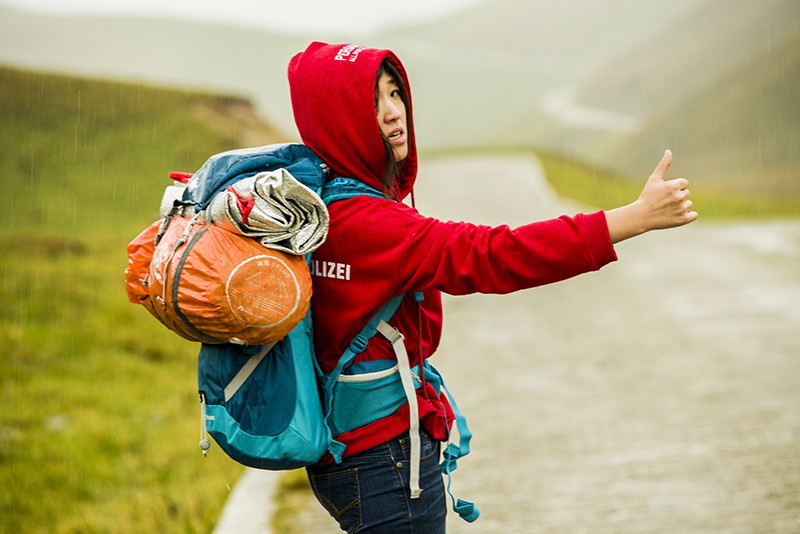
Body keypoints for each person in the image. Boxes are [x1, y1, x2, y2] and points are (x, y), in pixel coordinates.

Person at [287, 41, 697, 533]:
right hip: (384, 461)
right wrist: (631, 219)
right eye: (372, 102)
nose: (395, 112)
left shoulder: (316, 203)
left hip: (349, 454)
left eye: (395, 93)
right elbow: (494, 254)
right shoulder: (373, 225)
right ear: (338, 118)